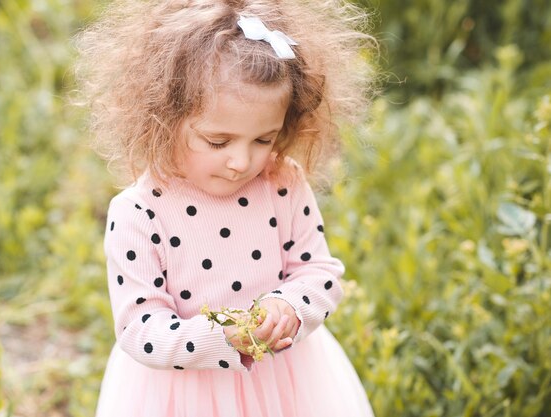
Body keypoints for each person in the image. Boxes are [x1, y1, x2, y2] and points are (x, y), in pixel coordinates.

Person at [75, 0, 375, 415]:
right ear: (164, 117)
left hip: (286, 383)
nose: (242, 161)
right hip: (183, 395)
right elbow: (139, 330)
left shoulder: (281, 182)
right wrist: (220, 336)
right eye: (218, 141)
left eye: (263, 139)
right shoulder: (139, 212)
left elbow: (319, 273)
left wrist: (288, 307)